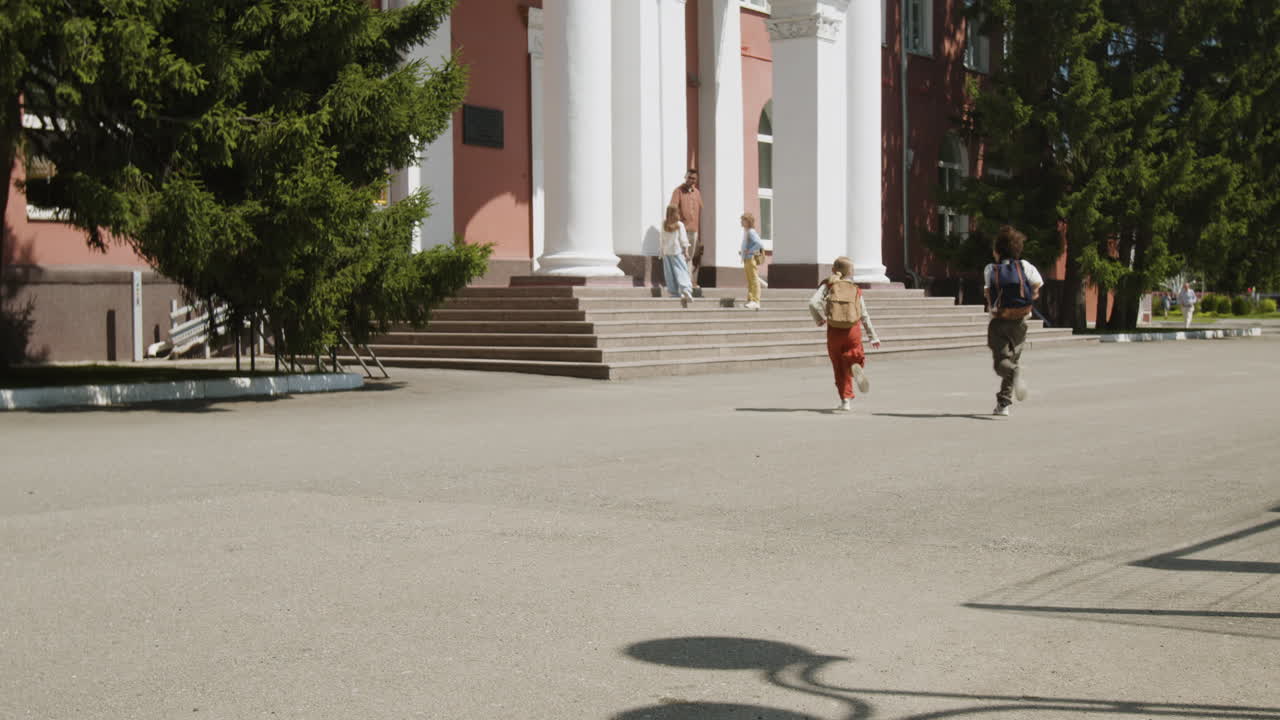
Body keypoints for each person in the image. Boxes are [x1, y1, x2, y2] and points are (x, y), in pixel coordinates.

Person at [984, 225, 1044, 417]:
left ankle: (1014, 376)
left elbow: (988, 295)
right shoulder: (1026, 266)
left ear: (998, 251)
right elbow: (1036, 289)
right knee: (1012, 360)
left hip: (1000, 321)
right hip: (1020, 321)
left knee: (1002, 363)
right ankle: (1003, 404)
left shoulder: (991, 269)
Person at [809, 257, 881, 412]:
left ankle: (845, 401)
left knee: (838, 367)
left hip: (834, 331)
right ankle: (855, 365)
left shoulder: (828, 285)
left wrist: (819, 319)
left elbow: (813, 303)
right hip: (852, 330)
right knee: (854, 356)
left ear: (834, 270)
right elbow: (864, 314)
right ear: (851, 272)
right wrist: (873, 336)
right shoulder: (855, 289)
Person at [669, 169, 703, 287]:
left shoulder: (697, 193)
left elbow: (699, 210)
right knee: (681, 255)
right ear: (685, 177)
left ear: (696, 179)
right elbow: (672, 210)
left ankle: (687, 281)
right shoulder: (678, 191)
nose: (691, 180)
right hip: (682, 230)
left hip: (694, 230)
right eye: (689, 178)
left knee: (690, 257)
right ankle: (681, 281)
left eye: (693, 178)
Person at [658, 205, 694, 307]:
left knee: (669, 273)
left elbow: (661, 239)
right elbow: (683, 239)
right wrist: (686, 251)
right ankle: (686, 289)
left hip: (666, 253)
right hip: (676, 252)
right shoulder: (679, 224)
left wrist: (661, 252)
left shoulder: (664, 224)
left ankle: (674, 293)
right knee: (681, 271)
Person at [739, 213, 765, 310]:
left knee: (753, 280)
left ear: (748, 221)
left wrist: (750, 251)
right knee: (750, 281)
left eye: (743, 220)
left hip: (750, 259)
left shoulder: (751, 232)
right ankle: (750, 300)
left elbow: (759, 243)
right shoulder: (747, 231)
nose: (741, 222)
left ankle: (756, 301)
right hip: (747, 258)